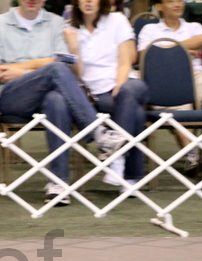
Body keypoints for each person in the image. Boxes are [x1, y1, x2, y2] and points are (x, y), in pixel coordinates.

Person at [0, 0, 127, 206]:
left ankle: (58, 184)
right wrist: (41, 68)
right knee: (55, 71)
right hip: (13, 98)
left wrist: (19, 70)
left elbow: (64, 64)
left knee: (56, 99)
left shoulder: (57, 23)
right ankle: (99, 135)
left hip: (47, 94)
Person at [64, 0, 148, 191]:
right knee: (135, 113)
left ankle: (116, 159)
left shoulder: (117, 20)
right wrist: (74, 49)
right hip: (93, 92)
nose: (88, 1)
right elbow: (77, 74)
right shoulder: (69, 29)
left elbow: (128, 59)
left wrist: (119, 85)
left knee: (128, 94)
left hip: (125, 81)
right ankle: (131, 177)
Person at [138, 0, 202, 173]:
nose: (178, 4)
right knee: (175, 99)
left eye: (180, 0)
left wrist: (169, 49)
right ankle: (191, 152)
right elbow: (144, 55)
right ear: (159, 7)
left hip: (196, 75)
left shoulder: (195, 26)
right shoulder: (149, 30)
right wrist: (184, 50)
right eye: (171, 1)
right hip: (165, 77)